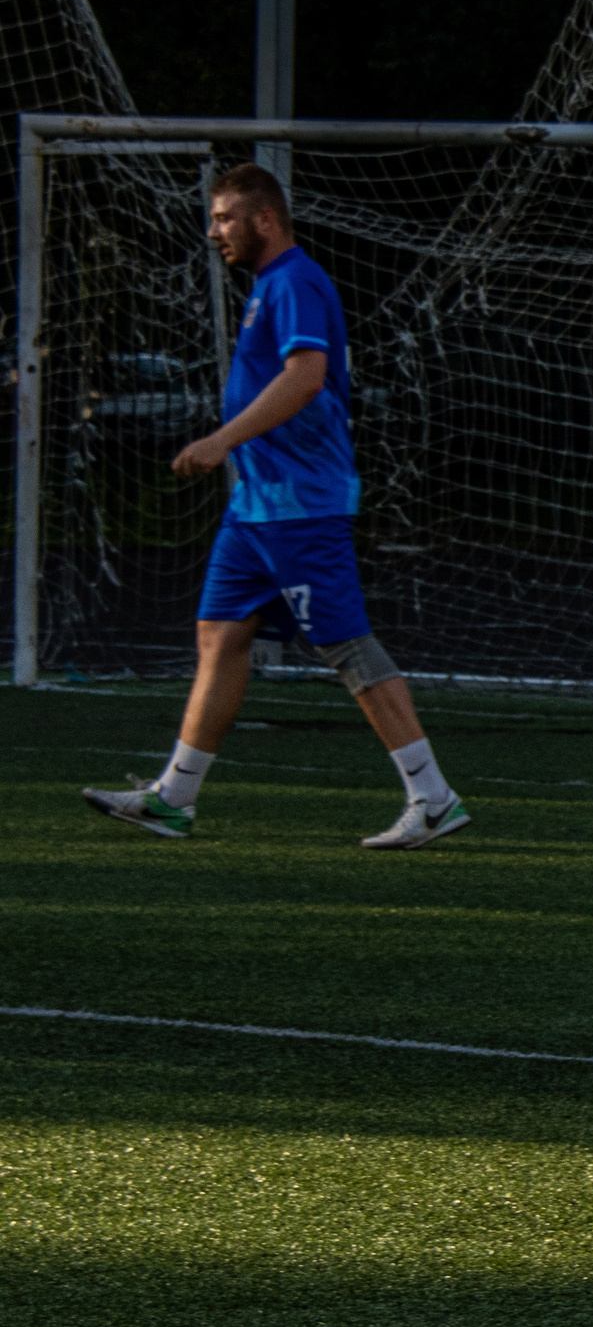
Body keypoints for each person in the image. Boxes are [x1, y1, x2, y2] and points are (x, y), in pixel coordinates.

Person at [81, 164, 468, 848]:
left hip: (299, 505)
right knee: (219, 637)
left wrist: (222, 438)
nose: (214, 231)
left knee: (346, 647)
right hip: (253, 507)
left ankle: (431, 796)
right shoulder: (269, 285)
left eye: (226, 217)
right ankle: (174, 797)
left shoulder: (294, 280)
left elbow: (305, 375)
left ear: (265, 218)